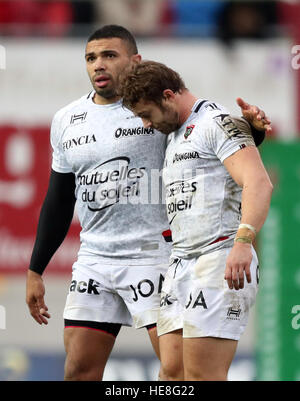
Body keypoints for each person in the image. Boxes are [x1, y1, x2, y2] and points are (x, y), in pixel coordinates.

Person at [26, 25, 271, 381]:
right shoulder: (71, 120)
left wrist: (253, 132)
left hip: (168, 254)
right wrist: (36, 267)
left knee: (195, 374)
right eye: (91, 58)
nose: (98, 65)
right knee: (145, 374)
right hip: (116, 260)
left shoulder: (177, 114)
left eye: (109, 55)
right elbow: (59, 197)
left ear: (136, 62)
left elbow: (231, 156)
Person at [119, 60, 273, 381]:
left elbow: (258, 182)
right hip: (181, 264)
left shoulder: (216, 122)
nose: (146, 125)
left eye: (147, 115)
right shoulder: (174, 134)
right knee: (171, 374)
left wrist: (243, 241)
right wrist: (254, 131)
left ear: (168, 96)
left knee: (203, 376)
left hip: (219, 258)